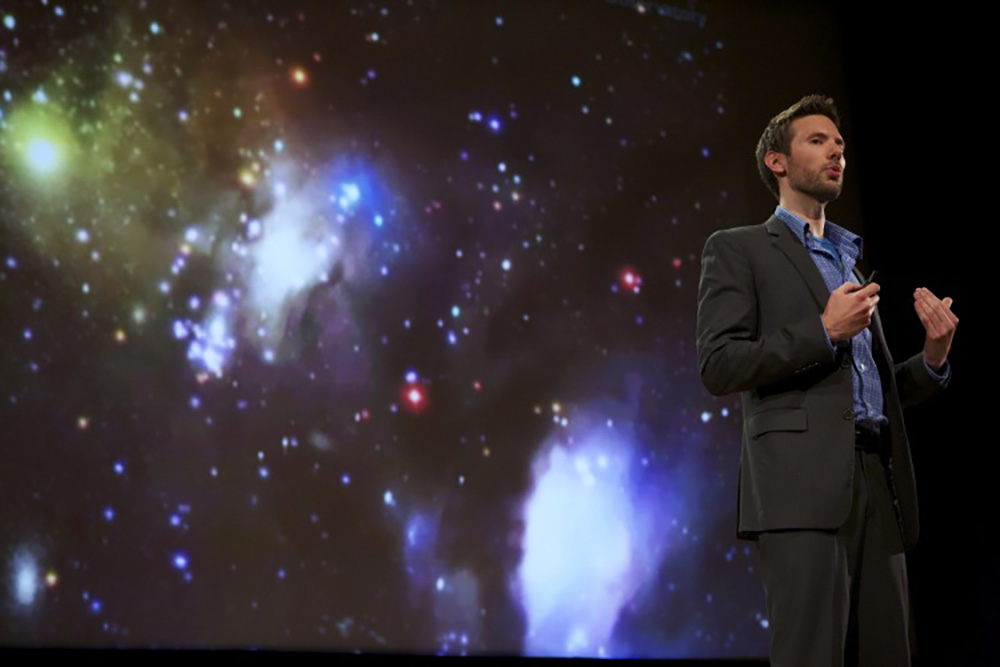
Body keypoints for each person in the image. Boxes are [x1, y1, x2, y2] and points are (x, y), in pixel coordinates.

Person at [695, 95, 957, 666]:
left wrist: (933, 358)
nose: (837, 150)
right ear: (777, 162)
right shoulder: (738, 249)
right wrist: (822, 330)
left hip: (876, 481)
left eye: (840, 144)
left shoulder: (849, 262)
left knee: (890, 654)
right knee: (810, 655)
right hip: (799, 493)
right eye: (818, 141)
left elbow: (870, 391)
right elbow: (719, 365)